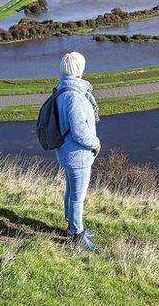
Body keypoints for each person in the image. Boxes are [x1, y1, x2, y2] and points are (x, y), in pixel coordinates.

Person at [55, 51, 102, 251]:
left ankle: (72, 225)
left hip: (66, 152)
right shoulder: (74, 96)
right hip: (78, 155)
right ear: (79, 69)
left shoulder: (61, 89)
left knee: (71, 191)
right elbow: (80, 131)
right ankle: (77, 235)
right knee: (78, 196)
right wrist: (96, 144)